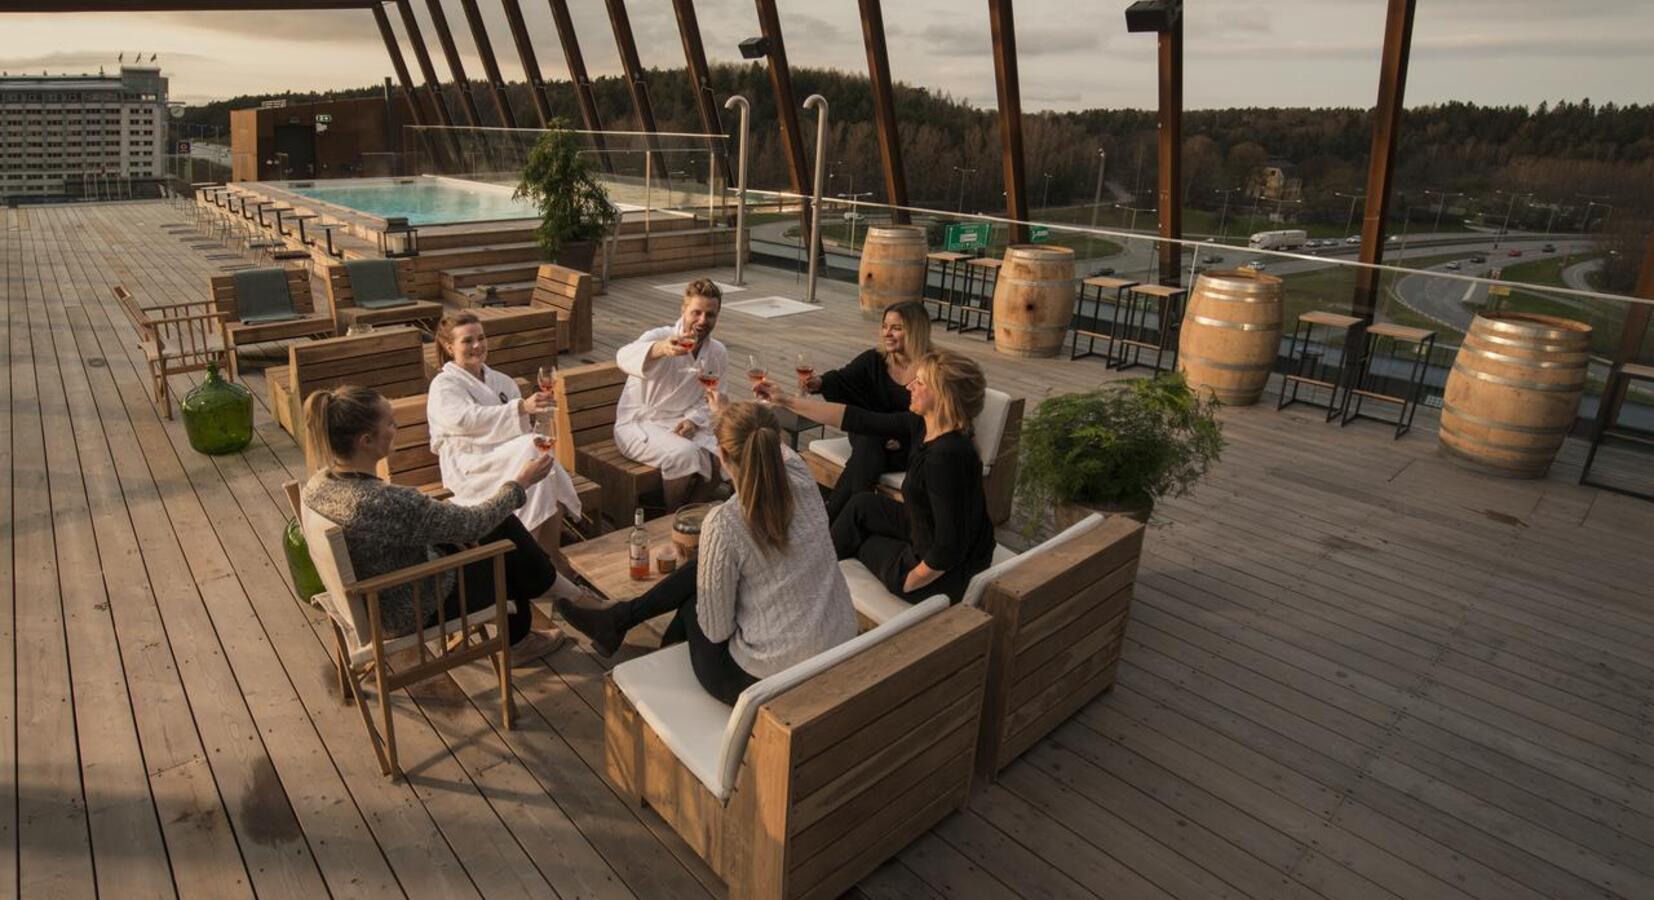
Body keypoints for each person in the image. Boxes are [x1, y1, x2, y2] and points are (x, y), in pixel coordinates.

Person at [556, 399, 857, 705]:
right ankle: (618, 622)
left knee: (694, 602)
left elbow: (716, 630)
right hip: (837, 640)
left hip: (765, 681)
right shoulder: (802, 476)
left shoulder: (726, 522)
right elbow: (771, 444)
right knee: (702, 579)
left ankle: (646, 666)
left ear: (722, 457)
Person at [300, 385, 571, 663]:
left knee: (493, 531)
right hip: (407, 608)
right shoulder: (382, 501)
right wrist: (520, 483)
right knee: (505, 548)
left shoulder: (318, 485)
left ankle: (567, 598)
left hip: (369, 599)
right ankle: (549, 617)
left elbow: (412, 523)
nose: (397, 426)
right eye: (390, 423)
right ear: (366, 441)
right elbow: (472, 524)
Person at [759, 349, 995, 604]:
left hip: (943, 575)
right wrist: (784, 400)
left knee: (861, 541)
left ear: (942, 396)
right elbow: (855, 418)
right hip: (929, 531)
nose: (909, 385)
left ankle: (798, 585)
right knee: (862, 504)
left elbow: (948, 549)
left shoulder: (945, 457)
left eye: (920, 382)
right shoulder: (926, 425)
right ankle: (807, 568)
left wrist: (909, 579)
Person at [428, 312, 583, 567]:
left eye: (481, 337)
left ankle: (542, 558)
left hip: (507, 457)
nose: (477, 345)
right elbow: (464, 420)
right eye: (467, 341)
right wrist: (521, 408)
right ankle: (536, 559)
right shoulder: (444, 385)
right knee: (538, 456)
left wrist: (537, 415)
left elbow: (520, 430)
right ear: (449, 346)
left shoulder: (502, 381)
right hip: (469, 465)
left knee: (541, 460)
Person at [798, 300, 932, 519]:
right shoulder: (874, 359)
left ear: (916, 331)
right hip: (871, 437)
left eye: (896, 328)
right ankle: (851, 517)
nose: (887, 333)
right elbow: (844, 379)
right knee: (870, 441)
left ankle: (833, 518)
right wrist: (819, 383)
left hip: (908, 445)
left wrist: (904, 439)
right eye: (884, 326)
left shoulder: (932, 369)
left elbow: (938, 417)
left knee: (867, 448)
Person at [613, 279, 730, 510]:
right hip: (639, 424)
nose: (702, 321)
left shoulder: (717, 352)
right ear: (683, 310)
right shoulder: (661, 336)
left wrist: (693, 421)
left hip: (680, 422)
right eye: (696, 312)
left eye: (710, 315)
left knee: (727, 451)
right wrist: (660, 349)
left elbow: (712, 398)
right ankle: (672, 515)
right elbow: (623, 356)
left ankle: (692, 509)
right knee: (684, 454)